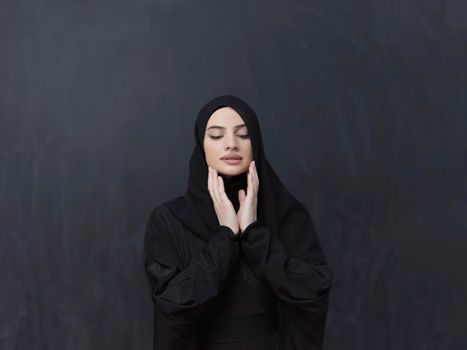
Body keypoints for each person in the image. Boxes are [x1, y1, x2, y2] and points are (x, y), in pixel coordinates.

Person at [143, 95, 333, 350]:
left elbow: (313, 292)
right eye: (216, 135)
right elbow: (173, 305)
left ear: (256, 143)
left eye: (243, 135)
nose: (231, 144)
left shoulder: (288, 214)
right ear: (201, 145)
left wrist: (255, 234)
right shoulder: (169, 220)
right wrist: (226, 236)